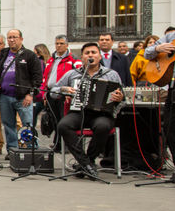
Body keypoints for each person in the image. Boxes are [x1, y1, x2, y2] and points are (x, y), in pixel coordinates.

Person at [53, 43, 125, 178]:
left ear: (99, 56)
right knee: (63, 125)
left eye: (93, 52)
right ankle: (87, 164)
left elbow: (123, 100)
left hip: (102, 113)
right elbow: (53, 91)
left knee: (102, 126)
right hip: (78, 112)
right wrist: (64, 90)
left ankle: (86, 163)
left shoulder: (111, 74)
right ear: (82, 57)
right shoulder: (72, 74)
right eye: (87, 53)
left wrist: (119, 98)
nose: (90, 55)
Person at [0, 29, 42, 155]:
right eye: (9, 37)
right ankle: (12, 151)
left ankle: (31, 151)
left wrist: (30, 94)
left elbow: (37, 78)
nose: (12, 40)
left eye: (14, 37)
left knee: (27, 125)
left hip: (23, 97)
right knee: (8, 125)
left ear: (21, 39)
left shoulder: (29, 55)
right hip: (5, 96)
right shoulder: (4, 53)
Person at [144, 26, 175, 181]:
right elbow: (147, 52)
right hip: (173, 88)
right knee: (170, 128)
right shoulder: (172, 37)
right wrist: (158, 47)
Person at [39, 35, 81, 148]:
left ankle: (66, 145)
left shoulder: (74, 59)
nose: (59, 46)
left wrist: (71, 92)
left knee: (64, 120)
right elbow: (45, 76)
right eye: (57, 43)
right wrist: (44, 94)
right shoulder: (52, 59)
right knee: (55, 119)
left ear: (67, 45)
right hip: (51, 93)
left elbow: (78, 77)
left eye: (61, 43)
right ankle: (58, 143)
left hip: (65, 95)